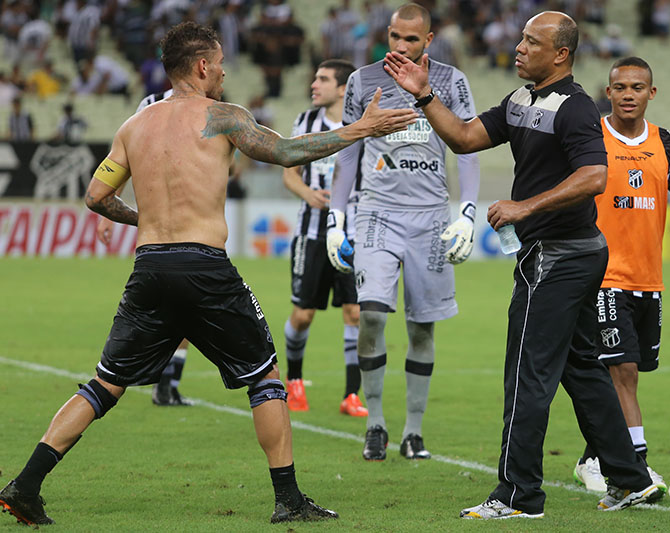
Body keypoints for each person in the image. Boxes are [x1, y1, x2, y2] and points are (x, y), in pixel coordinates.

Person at [0, 21, 416, 526]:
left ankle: (25, 485)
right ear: (201, 66)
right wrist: (360, 129)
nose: (222, 72)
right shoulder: (222, 117)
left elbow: (95, 197)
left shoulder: (134, 126)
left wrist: (145, 219)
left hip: (150, 268)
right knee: (264, 377)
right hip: (203, 267)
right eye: (219, 64)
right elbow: (285, 152)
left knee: (105, 384)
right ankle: (288, 499)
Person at [385, 10, 660, 519]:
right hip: (571, 253)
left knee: (526, 374)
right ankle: (630, 478)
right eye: (521, 39)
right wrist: (424, 95)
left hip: (558, 257)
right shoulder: (521, 100)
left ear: (561, 55)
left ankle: (518, 494)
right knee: (580, 368)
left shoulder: (575, 107)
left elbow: (595, 176)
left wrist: (523, 207)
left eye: (532, 42)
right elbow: (466, 138)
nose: (519, 48)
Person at [327, 3, 480, 461]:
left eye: (411, 39)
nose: (400, 46)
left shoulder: (451, 83)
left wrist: (467, 212)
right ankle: (374, 422)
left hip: (431, 216)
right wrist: (336, 220)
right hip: (375, 212)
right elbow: (347, 150)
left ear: (428, 40)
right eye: (395, 36)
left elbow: (468, 146)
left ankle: (413, 431)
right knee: (371, 314)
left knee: (421, 328)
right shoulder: (362, 81)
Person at [573, 56, 670, 495]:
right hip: (601, 274)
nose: (627, 95)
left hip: (648, 279)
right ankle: (635, 468)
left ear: (650, 93)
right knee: (623, 372)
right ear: (608, 91)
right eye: (619, 87)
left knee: (629, 370)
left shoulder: (668, 143)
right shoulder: (591, 138)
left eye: (637, 87)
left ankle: (592, 458)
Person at [281, 59, 367, 417]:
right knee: (303, 315)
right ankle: (294, 383)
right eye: (314, 77)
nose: (314, 84)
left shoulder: (363, 124)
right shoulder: (306, 122)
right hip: (312, 233)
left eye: (323, 79)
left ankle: (352, 395)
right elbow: (289, 173)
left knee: (355, 312)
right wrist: (308, 194)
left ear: (344, 88)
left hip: (353, 233)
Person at [96, 87, 192, 407]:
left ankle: (166, 383)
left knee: (184, 309)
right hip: (162, 225)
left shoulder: (212, 105)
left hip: (194, 223)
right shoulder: (150, 105)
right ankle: (141, 378)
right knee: (173, 307)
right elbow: (123, 158)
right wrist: (109, 208)